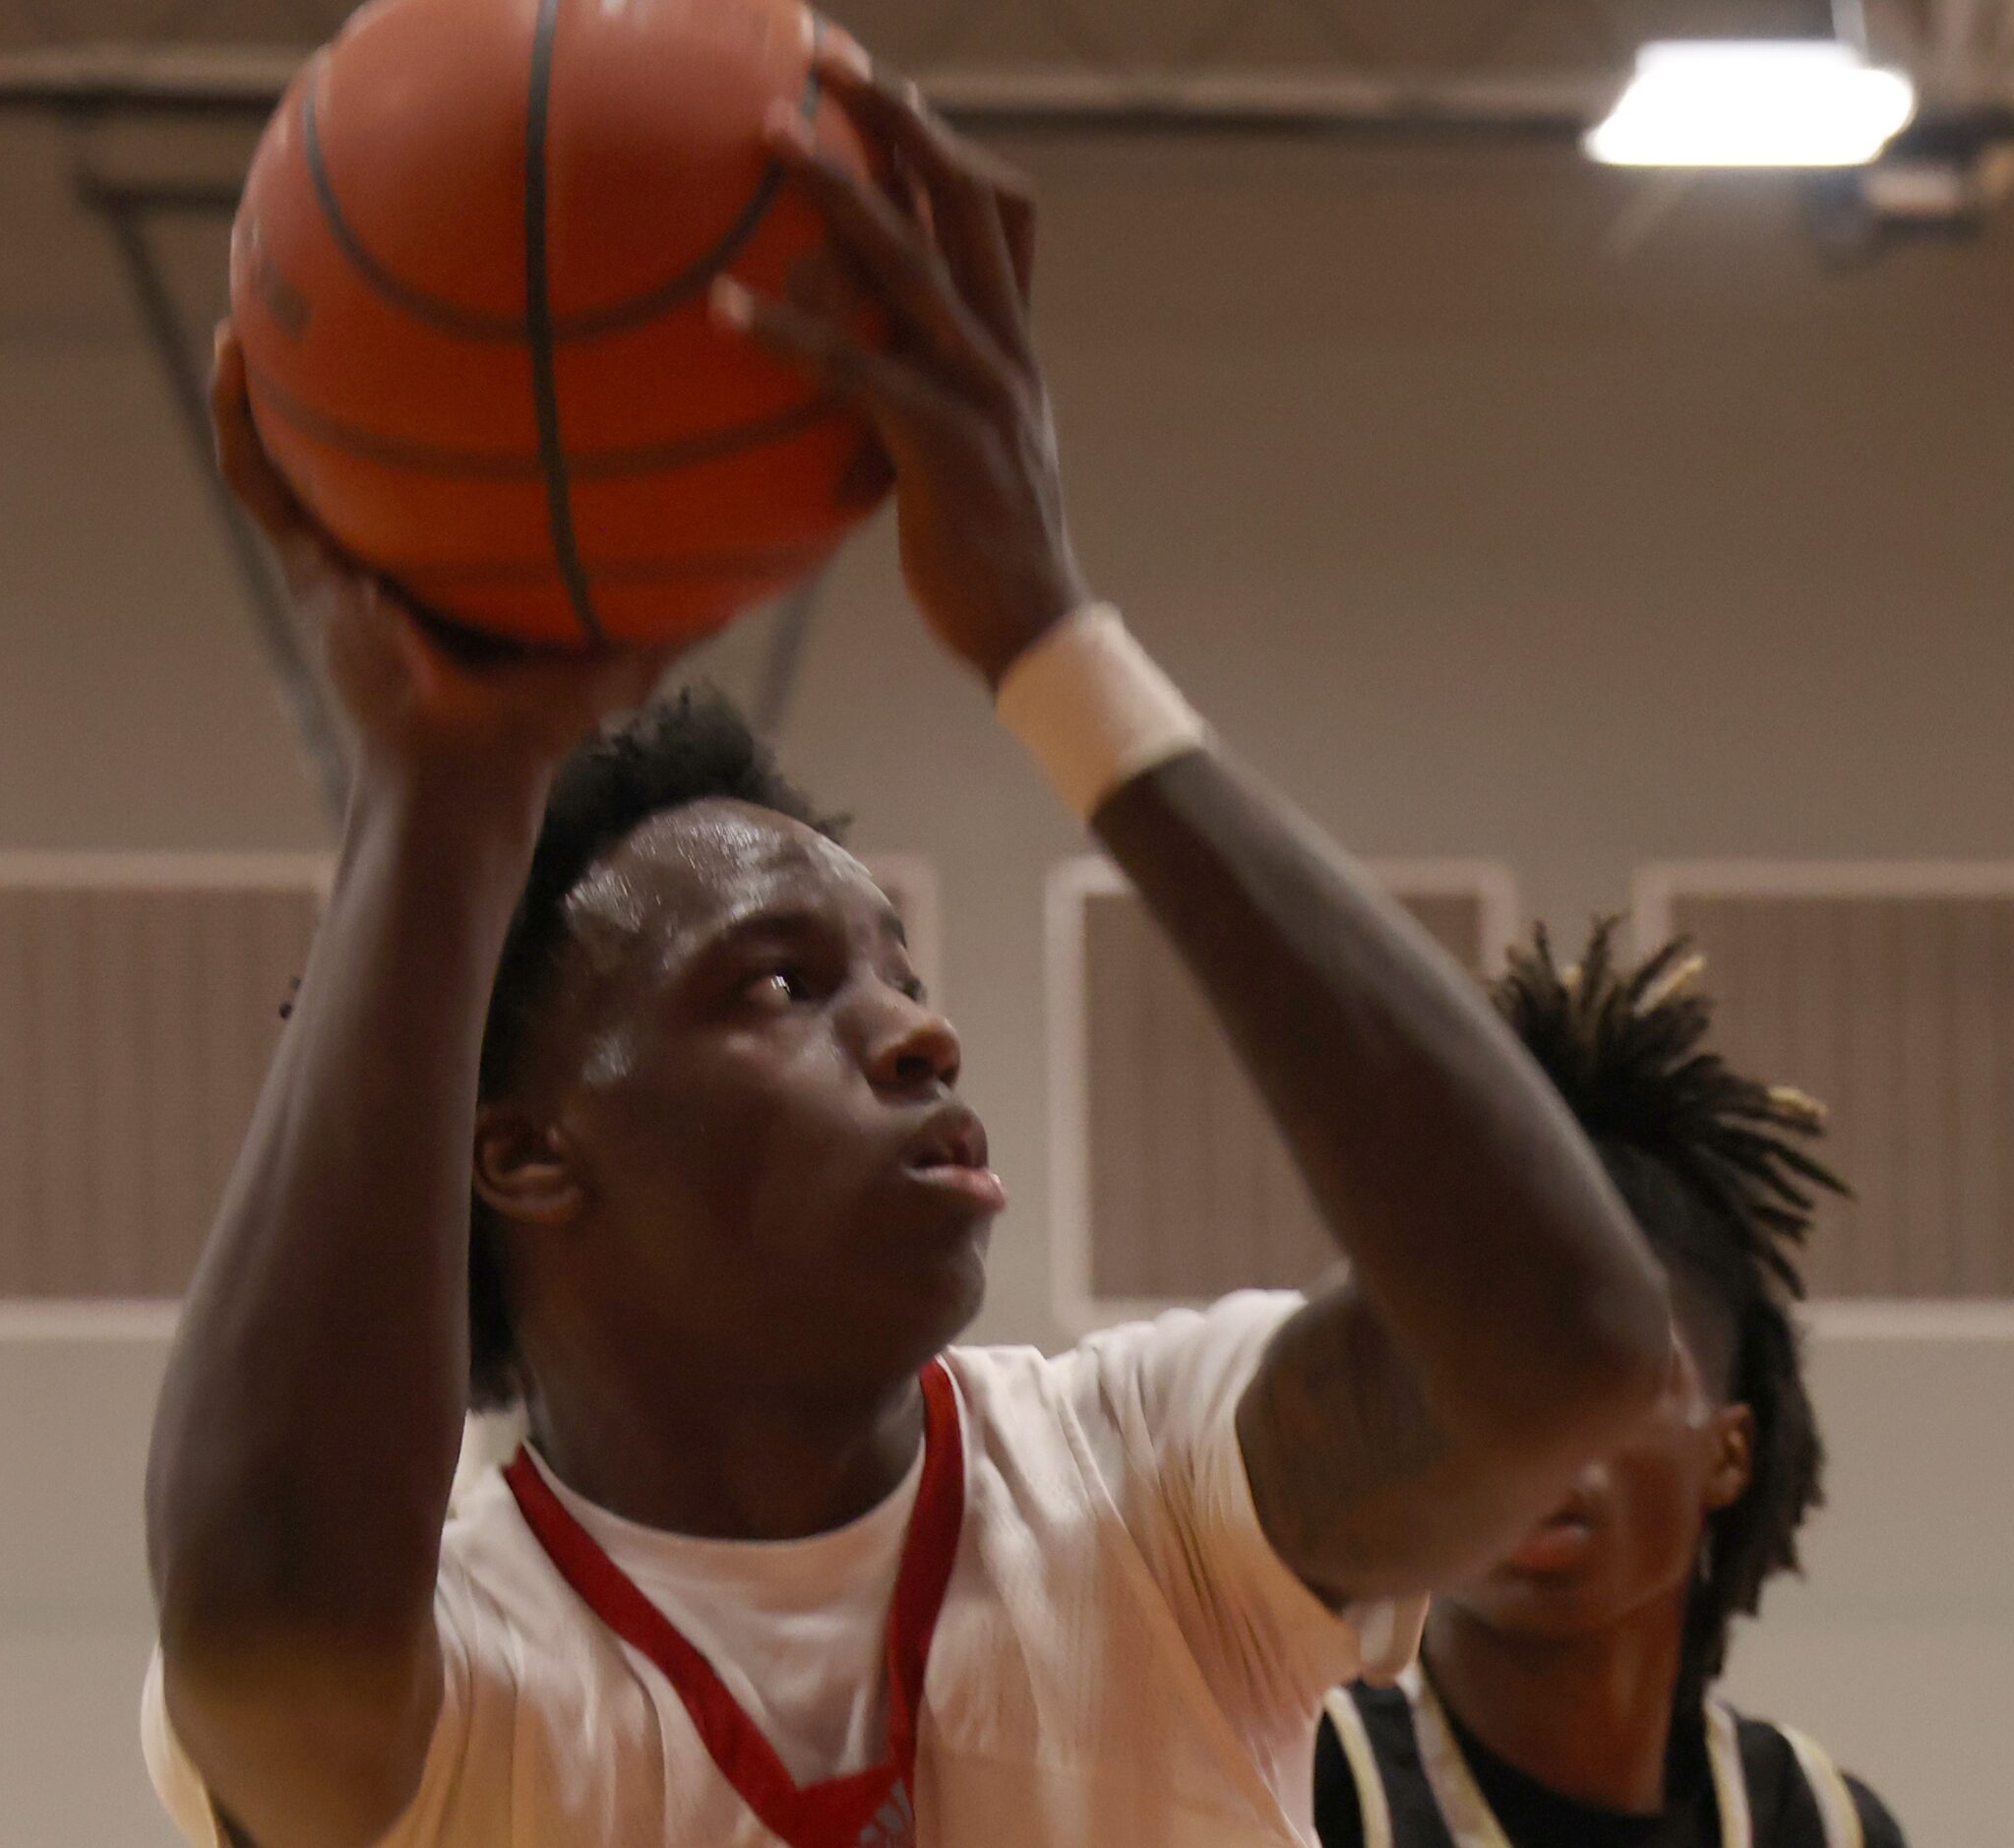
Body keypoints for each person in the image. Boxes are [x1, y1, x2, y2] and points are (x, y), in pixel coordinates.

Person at [141, 46, 1678, 1848]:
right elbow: (266, 1623)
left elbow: (1564, 1341)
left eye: (901, 972)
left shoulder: (1142, 1483)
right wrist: (443, 787)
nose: (916, 1038)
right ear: (526, 1150)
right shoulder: (459, 1659)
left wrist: (1050, 639)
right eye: (777, 984)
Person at [1313, 924, 1907, 1848]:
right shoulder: (1290, 1786)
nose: (1533, 1420)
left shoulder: (1819, 1823)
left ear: (1730, 1449)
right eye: (1475, 1363)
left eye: (1605, 1367)